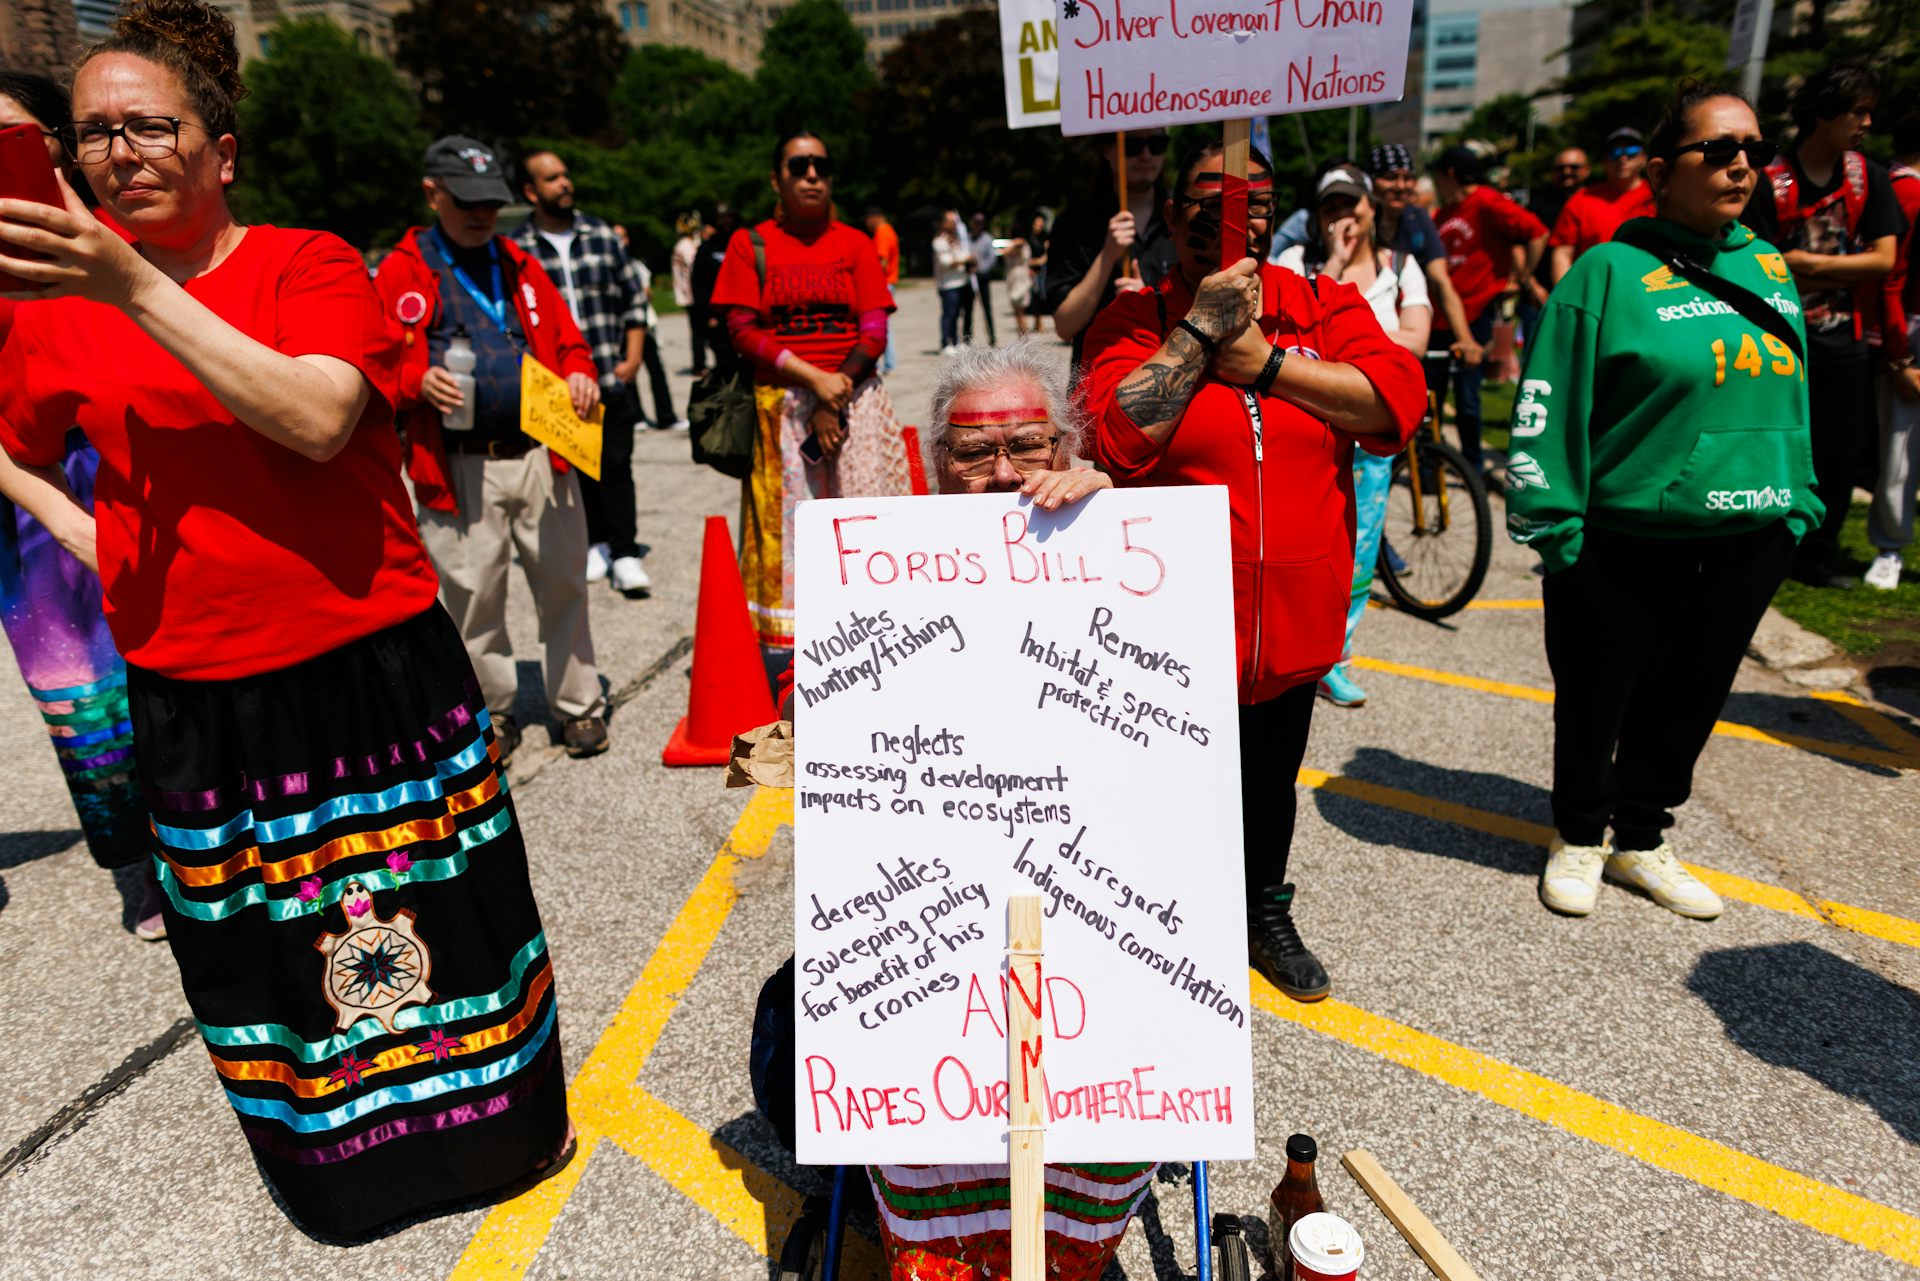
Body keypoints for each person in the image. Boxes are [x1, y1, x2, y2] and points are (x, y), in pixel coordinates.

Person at [0, 0, 570, 1235]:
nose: (119, 153)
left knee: (449, 924)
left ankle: (501, 1139)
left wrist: (133, 288)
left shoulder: (308, 264)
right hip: (198, 690)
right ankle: (344, 1180)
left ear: (222, 150)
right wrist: (98, 540)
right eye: (93, 133)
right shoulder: (49, 311)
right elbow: (16, 445)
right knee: (265, 956)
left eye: (151, 126)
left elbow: (315, 419)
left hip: (371, 667)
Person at [1082, 141, 1426, 1002]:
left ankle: (1262, 908)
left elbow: (1395, 405)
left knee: (1272, 781)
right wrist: (1199, 332)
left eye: (1255, 200)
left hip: (1295, 617)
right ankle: (1157, 920)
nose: (1234, 214)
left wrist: (1268, 364)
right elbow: (1118, 441)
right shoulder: (1134, 318)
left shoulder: (1324, 303)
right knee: (1163, 789)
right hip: (1174, 627)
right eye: (1208, 200)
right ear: (1171, 214)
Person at [864, 341, 1145, 1281]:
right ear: (932, 463)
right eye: (973, 453)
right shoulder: (880, 573)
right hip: (933, 919)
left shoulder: (1120, 547)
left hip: (1091, 910)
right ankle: (938, 1251)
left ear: (1064, 446)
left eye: (1027, 445)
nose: (1002, 475)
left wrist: (1121, 528)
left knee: (1113, 1082)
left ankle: (1070, 1250)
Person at [1507, 83, 1823, 920]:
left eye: (1754, 148)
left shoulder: (1766, 264)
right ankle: (1578, 833)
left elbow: (1790, 390)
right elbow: (1549, 402)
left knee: (1689, 698)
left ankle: (1642, 836)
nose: (1742, 165)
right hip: (1622, 538)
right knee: (1596, 695)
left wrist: (1800, 503)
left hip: (1749, 534)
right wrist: (1557, 528)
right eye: (1718, 150)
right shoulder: (1608, 271)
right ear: (1659, 170)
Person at [376, 135, 610, 760]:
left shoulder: (518, 261)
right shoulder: (404, 267)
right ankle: (494, 712)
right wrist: (414, 381)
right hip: (458, 467)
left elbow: (569, 342)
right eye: (466, 202)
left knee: (565, 585)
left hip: (542, 454)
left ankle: (579, 704)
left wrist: (581, 371)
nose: (481, 215)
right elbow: (373, 363)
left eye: (490, 203)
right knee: (474, 598)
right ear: (433, 193)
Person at [0, 68, 159, 937]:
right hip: (27, 502)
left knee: (177, 662)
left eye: (14, 137)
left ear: (58, 142)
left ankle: (213, 831)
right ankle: (135, 863)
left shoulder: (124, 229)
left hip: (133, 463)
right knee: (79, 693)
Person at [712, 130, 911, 670]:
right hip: (780, 407)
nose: (811, 175)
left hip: (856, 402)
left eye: (821, 165)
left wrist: (835, 389)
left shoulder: (854, 243)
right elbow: (742, 329)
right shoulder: (749, 244)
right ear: (776, 178)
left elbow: (872, 328)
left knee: (865, 522)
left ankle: (875, 635)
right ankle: (789, 658)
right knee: (788, 531)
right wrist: (812, 379)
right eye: (798, 166)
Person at [1741, 59, 1904, 588]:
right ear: (1823, 113)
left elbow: (1883, 260)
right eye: (1857, 111)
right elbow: (1760, 265)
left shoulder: (1869, 178)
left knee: (1836, 454)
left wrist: (1804, 264)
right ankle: (1763, 544)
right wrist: (1823, 269)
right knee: (1772, 442)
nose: (1866, 124)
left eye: (1869, 113)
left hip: (1845, 343)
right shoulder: (1769, 181)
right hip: (1777, 339)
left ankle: (1816, 555)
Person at [1276, 164, 1432, 710]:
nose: (1343, 216)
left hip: (1368, 432)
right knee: (1302, 543)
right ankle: (1298, 646)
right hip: (1305, 430)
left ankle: (1336, 655)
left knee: (1361, 544)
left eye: (1352, 204)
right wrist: (1337, 270)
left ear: (1372, 207)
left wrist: (1347, 342)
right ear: (1316, 218)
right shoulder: (1296, 262)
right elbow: (1280, 327)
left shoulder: (1402, 267)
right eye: (1330, 208)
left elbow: (1413, 341)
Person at [512, 148, 657, 595]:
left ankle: (626, 551)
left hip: (610, 374)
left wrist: (632, 360)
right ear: (531, 191)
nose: (564, 184)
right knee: (572, 466)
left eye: (565, 176)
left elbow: (634, 301)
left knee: (616, 463)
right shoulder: (517, 248)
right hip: (554, 384)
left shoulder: (601, 235)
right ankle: (594, 543)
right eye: (552, 179)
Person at [1430, 145, 1548, 469]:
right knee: (1432, 399)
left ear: (1449, 174)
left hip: (1477, 313)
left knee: (1467, 398)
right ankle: (1429, 467)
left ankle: (1473, 468)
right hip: (1440, 318)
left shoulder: (1486, 201)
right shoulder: (1443, 213)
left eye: (1437, 176)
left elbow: (1537, 233)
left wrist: (1523, 278)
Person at [1043, 130, 1178, 359]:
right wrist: (1107, 256)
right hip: (1097, 380)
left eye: (1157, 144)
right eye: (1132, 146)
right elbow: (1065, 325)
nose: (1146, 155)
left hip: (1172, 382)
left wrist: (1148, 302)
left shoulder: (1185, 217)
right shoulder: (1074, 223)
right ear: (1107, 150)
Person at [1368, 143, 1480, 404]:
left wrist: (1465, 339)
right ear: (1371, 182)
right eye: (1390, 177)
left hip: (1404, 330)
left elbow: (1441, 281)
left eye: (1408, 178)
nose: (1401, 185)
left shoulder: (1417, 219)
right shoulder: (1359, 216)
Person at [1868, 112, 1920, 590]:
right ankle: (1890, 549)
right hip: (1911, 329)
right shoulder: (1908, 189)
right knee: (1901, 448)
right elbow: (1892, 276)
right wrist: (1901, 357)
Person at [1549, 127, 1655, 282]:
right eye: (1615, 153)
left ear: (1644, 158)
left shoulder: (1661, 197)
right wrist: (1566, 296)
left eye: (1631, 151)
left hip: (1650, 290)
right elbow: (1562, 254)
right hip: (1595, 291)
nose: (1623, 158)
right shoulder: (1581, 200)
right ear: (1604, 161)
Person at [692, 203, 738, 372]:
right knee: (724, 360)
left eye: (728, 217)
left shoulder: (743, 244)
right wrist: (707, 315)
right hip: (718, 316)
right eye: (721, 218)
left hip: (743, 313)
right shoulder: (707, 249)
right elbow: (699, 283)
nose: (725, 221)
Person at [865, 205, 901, 373]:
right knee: (884, 323)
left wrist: (872, 284)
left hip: (883, 283)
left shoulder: (882, 233)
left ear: (874, 217)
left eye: (867, 221)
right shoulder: (889, 230)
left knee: (880, 324)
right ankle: (888, 362)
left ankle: (888, 363)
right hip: (889, 282)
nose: (867, 225)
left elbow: (882, 261)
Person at [933, 209, 973, 355]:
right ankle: (945, 342)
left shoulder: (956, 239)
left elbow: (963, 255)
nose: (953, 224)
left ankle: (956, 341)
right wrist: (963, 260)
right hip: (947, 284)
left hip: (961, 282)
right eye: (950, 221)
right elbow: (946, 262)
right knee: (949, 314)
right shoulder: (939, 241)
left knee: (957, 314)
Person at [672, 210, 704, 373]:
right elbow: (695, 265)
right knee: (699, 331)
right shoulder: (685, 245)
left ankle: (700, 362)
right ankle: (699, 364)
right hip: (692, 294)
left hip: (690, 293)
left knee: (698, 330)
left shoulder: (685, 244)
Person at [966, 210, 998, 346]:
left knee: (987, 309)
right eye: (975, 222)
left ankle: (992, 337)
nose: (977, 225)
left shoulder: (987, 239)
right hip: (968, 278)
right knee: (967, 310)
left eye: (980, 223)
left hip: (982, 277)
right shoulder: (966, 238)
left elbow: (992, 259)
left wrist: (979, 267)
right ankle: (966, 339)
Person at [1003, 229, 1035, 335]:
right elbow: (1004, 253)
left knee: (1020, 312)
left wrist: (1016, 243)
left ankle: (1024, 338)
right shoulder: (1016, 246)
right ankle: (1022, 337)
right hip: (1016, 279)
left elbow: (1005, 253)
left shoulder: (1023, 246)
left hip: (1020, 280)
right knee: (1018, 312)